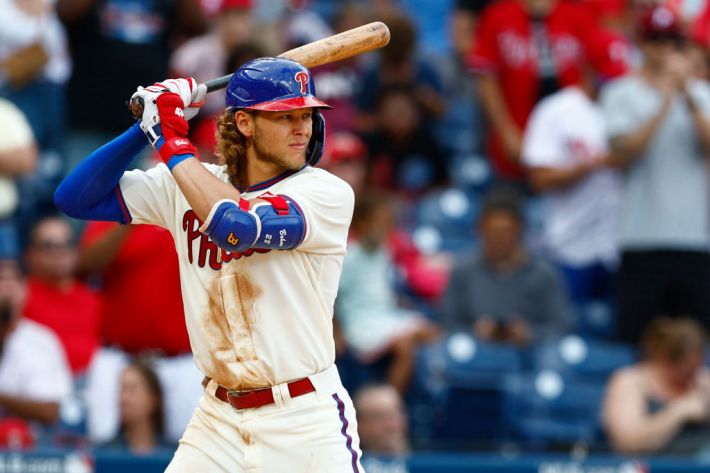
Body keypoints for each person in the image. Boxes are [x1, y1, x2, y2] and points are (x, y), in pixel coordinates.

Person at [55, 58, 363, 471]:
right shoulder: (187, 183)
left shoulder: (326, 192)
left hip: (303, 418)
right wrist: (144, 127)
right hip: (218, 419)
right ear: (245, 124)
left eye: (306, 114)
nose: (301, 127)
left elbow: (235, 227)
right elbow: (75, 198)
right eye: (285, 115)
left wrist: (170, 140)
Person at [600, 5, 710, 343]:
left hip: (696, 240)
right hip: (640, 238)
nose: (663, 49)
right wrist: (662, 102)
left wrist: (687, 97)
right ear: (641, 43)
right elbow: (623, 155)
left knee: (697, 347)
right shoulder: (619, 94)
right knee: (637, 344)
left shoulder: (703, 95)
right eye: (655, 40)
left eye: (671, 42)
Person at [521, 30, 630, 335]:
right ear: (586, 68)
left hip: (618, 245)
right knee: (566, 336)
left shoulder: (629, 107)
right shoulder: (557, 110)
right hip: (569, 245)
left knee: (618, 340)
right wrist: (591, 164)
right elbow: (539, 178)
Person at [468, 0, 598, 181]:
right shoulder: (498, 15)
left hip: (568, 142)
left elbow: (591, 73)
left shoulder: (577, 15)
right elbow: (486, 78)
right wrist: (506, 132)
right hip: (517, 136)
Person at [441, 186, 572, 346]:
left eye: (505, 233)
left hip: (529, 357)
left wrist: (530, 333)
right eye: (492, 232)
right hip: (478, 354)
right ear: (480, 229)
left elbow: (562, 326)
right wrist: (475, 332)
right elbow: (447, 323)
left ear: (520, 231)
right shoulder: (462, 271)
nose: (499, 240)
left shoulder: (543, 273)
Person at [336, 193, 439, 394]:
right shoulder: (347, 257)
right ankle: (388, 405)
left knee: (434, 332)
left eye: (387, 223)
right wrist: (336, 332)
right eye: (377, 222)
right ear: (360, 224)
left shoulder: (386, 252)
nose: (382, 228)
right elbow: (330, 298)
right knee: (405, 347)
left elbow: (383, 289)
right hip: (362, 325)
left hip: (387, 316)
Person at [602, 317, 710, 455]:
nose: (693, 374)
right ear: (664, 359)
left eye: (698, 366)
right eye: (687, 369)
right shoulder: (630, 381)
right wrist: (678, 412)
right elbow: (627, 443)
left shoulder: (703, 380)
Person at [0, 257, 73, 444]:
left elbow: (50, 411)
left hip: (30, 446)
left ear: (26, 289)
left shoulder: (42, 341)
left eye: (15, 280)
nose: (7, 287)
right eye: (1, 279)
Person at [22, 216, 100, 376]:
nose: (60, 252)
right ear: (30, 254)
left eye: (67, 244)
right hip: (39, 387)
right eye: (48, 246)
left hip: (92, 387)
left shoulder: (92, 298)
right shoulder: (20, 297)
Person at [104, 358, 171, 454]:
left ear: (154, 398)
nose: (123, 399)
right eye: (121, 390)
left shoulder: (176, 455)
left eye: (132, 389)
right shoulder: (107, 453)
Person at [354, 383, 410, 473]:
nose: (392, 425)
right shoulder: (345, 467)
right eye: (379, 417)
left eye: (396, 414)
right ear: (359, 424)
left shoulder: (431, 461)